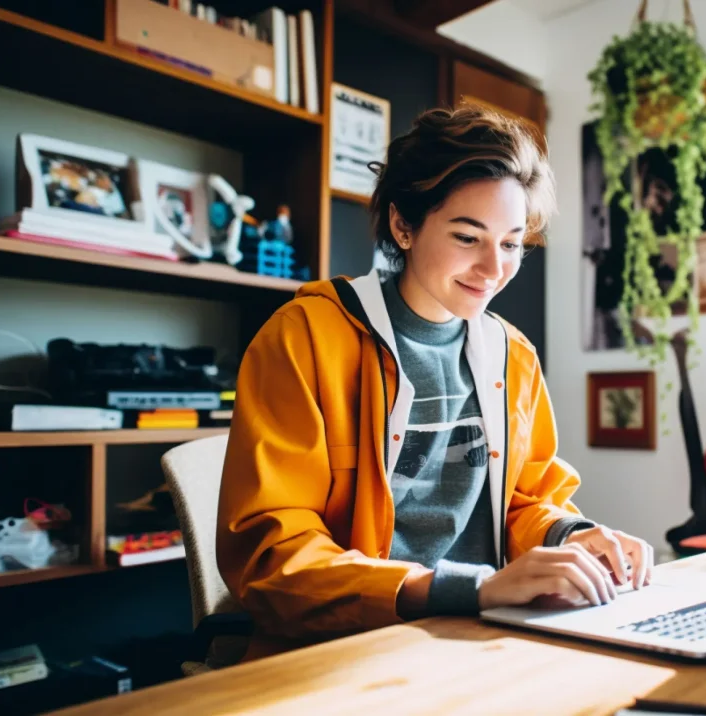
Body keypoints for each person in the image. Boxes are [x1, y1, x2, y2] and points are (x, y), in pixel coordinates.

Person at [216, 105, 655, 660]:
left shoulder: (512, 356)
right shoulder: (304, 338)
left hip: (481, 637)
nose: (494, 269)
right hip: (345, 647)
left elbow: (525, 500)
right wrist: (462, 589)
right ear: (403, 226)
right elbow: (273, 556)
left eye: (511, 243)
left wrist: (569, 535)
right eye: (468, 237)